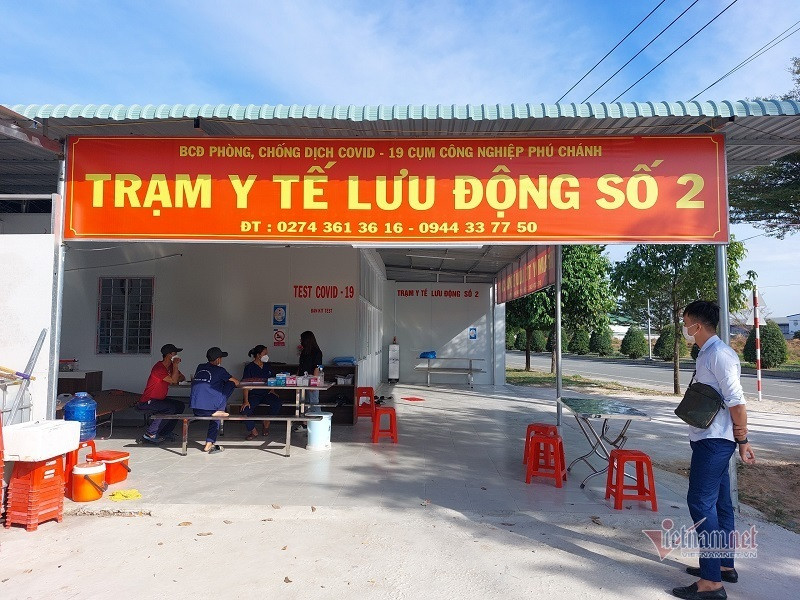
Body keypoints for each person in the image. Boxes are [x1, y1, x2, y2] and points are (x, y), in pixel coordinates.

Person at [672, 301, 756, 600]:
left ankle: (711, 584)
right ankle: (722, 567)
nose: (684, 328)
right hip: (710, 437)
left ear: (696, 324)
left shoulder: (719, 354)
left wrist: (743, 440)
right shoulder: (707, 352)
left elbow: (737, 401)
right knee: (720, 504)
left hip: (715, 441)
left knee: (700, 503)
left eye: (685, 322)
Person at [189, 347, 239, 454]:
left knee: (215, 415)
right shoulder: (220, 370)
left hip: (195, 408)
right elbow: (236, 382)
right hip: (210, 409)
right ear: (217, 360)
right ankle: (209, 442)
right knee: (230, 384)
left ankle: (209, 442)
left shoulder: (200, 367)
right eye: (221, 358)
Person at [137, 343, 186, 444]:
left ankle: (165, 432)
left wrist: (175, 373)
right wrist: (176, 367)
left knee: (179, 405)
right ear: (169, 355)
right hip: (148, 400)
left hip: (159, 399)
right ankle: (150, 434)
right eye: (175, 353)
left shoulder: (171, 367)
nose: (177, 355)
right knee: (169, 408)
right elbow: (173, 380)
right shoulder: (158, 368)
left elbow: (182, 377)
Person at [241, 344, 282, 440]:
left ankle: (266, 422)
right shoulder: (249, 367)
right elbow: (245, 385)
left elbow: (272, 379)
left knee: (278, 403)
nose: (267, 356)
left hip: (266, 393)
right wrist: (246, 400)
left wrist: (272, 390)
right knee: (245, 410)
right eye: (265, 354)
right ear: (258, 355)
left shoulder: (267, 366)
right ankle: (253, 431)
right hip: (254, 395)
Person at [298, 330, 323, 413]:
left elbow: (317, 368)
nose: (301, 341)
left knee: (313, 402)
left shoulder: (316, 352)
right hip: (302, 379)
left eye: (302, 339)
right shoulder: (304, 351)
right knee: (304, 402)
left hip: (312, 379)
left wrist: (314, 384)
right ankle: (305, 423)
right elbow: (301, 366)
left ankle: (317, 422)